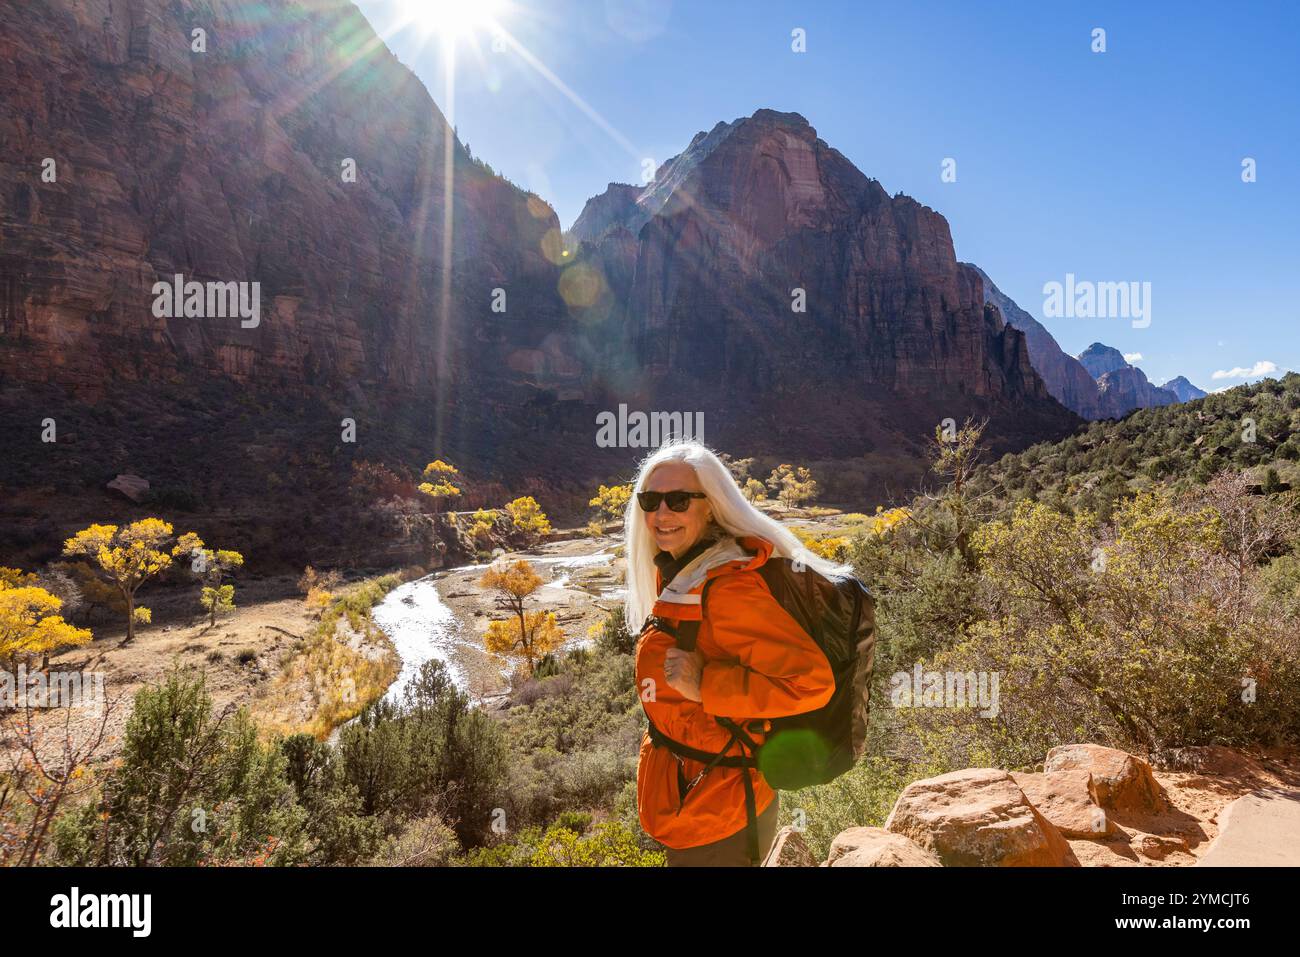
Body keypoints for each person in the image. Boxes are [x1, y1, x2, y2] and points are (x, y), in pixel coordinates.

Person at [625, 440, 849, 866]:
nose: (661, 514)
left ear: (710, 506)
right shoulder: (682, 569)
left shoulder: (727, 588)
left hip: (722, 813)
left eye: (678, 500)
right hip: (698, 802)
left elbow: (811, 683)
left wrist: (705, 684)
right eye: (651, 500)